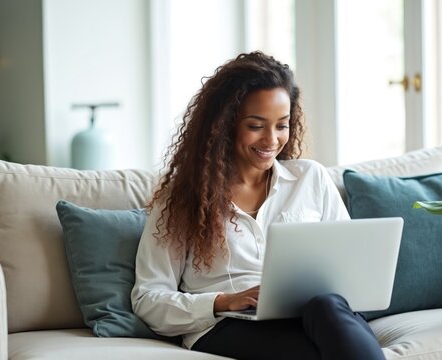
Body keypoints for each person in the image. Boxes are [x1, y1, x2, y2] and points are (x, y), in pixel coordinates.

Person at [131, 51, 385, 360]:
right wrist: (223, 301)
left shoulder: (311, 178)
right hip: (226, 324)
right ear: (225, 125)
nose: (271, 140)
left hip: (313, 315)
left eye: (282, 125)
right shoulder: (184, 198)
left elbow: (350, 270)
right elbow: (148, 298)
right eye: (256, 125)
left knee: (327, 305)